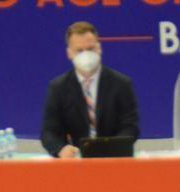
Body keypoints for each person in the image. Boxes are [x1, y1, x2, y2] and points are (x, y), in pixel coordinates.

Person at [41, 22, 141, 159]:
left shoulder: (122, 84)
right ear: (69, 53)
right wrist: (61, 149)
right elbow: (49, 131)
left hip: (115, 160)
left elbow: (131, 126)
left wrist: (111, 148)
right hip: (75, 163)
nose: (86, 55)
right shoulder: (58, 88)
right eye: (80, 51)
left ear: (99, 48)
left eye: (90, 49)